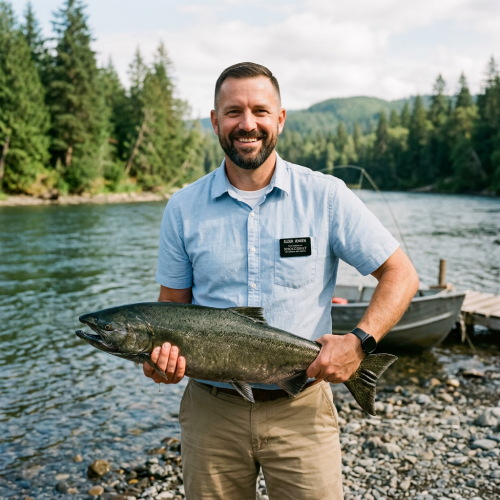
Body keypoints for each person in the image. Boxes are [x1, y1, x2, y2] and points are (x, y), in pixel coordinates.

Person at [143, 62, 419, 500]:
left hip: (302, 407)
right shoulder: (182, 208)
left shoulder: (326, 196)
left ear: (280, 119)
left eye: (260, 110)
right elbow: (171, 309)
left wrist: (359, 343)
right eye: (233, 112)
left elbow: (401, 274)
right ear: (215, 121)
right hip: (211, 414)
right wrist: (160, 359)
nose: (246, 124)